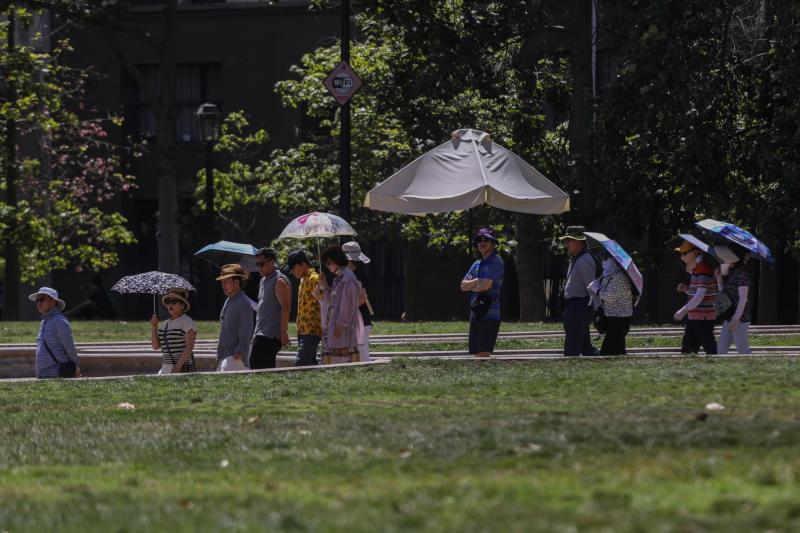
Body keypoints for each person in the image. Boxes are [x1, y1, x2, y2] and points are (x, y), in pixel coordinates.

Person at [460, 227, 504, 357]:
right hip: (476, 313)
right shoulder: (476, 264)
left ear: (493, 243)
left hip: (490, 315)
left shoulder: (496, 262)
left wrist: (475, 284)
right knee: (474, 354)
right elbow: (462, 286)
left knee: (484, 353)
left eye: (486, 240)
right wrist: (478, 280)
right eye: (479, 240)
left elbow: (484, 286)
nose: (482, 243)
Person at [316, 244, 364, 364]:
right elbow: (332, 300)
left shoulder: (348, 279)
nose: (327, 266)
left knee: (342, 360)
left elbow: (347, 305)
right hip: (334, 323)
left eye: (328, 263)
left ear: (336, 260)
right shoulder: (339, 278)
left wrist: (341, 325)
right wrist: (324, 285)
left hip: (342, 327)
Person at [673, 240, 718, 354]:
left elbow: (700, 296)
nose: (682, 258)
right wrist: (686, 289)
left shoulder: (702, 269)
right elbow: (698, 294)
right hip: (696, 316)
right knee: (688, 350)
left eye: (684, 254)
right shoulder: (697, 269)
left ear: (694, 253)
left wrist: (683, 310)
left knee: (710, 349)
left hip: (703, 317)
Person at [560, 225, 597, 357]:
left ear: (578, 242)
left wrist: (597, 310)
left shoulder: (585, 260)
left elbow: (591, 286)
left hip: (580, 306)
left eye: (569, 240)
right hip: (573, 306)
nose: (566, 244)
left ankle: (570, 364)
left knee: (572, 346)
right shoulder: (575, 258)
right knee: (584, 346)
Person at [250, 247, 291, 369]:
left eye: (261, 264)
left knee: (257, 365)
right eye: (257, 264)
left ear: (272, 262)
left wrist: (283, 333)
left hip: (270, 335)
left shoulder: (279, 281)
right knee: (259, 365)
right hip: (260, 332)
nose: (259, 268)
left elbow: (286, 307)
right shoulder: (263, 280)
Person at [589, 251, 634, 355]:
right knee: (618, 351)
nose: (603, 262)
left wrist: (596, 290)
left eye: (605, 259)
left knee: (607, 353)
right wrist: (596, 285)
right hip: (612, 316)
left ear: (614, 260)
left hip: (619, 318)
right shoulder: (608, 274)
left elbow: (609, 296)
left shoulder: (619, 277)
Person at [29, 287, 80, 379]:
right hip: (45, 375)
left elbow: (70, 348)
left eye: (42, 299)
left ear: (54, 301)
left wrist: (75, 367)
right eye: (37, 300)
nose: (39, 303)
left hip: (56, 375)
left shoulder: (59, 321)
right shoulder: (45, 321)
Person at [215, 263, 254, 371]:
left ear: (236, 282)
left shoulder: (243, 303)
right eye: (222, 282)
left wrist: (240, 349)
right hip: (226, 355)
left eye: (226, 282)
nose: (223, 285)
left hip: (236, 357)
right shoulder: (229, 300)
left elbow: (246, 329)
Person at [287, 250, 322, 366]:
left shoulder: (314, 278)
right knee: (311, 363)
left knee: (300, 363)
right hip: (302, 329)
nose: (291, 272)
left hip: (311, 329)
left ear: (303, 264)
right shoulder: (303, 279)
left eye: (293, 268)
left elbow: (324, 300)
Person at [150, 289, 197, 373]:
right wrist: (154, 327)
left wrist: (177, 367)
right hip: (165, 368)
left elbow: (189, 346)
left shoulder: (187, 322)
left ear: (182, 305)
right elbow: (155, 346)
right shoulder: (164, 324)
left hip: (182, 368)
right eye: (168, 301)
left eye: (174, 301)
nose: (170, 304)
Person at [717, 245, 753, 354]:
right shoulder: (732, 273)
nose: (724, 259)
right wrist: (719, 280)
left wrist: (735, 320)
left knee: (744, 352)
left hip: (739, 320)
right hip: (729, 317)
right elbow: (724, 294)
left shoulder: (741, 273)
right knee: (721, 351)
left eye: (728, 255)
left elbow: (743, 299)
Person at [343, 241, 373, 362]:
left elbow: (361, 298)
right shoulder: (351, 274)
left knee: (362, 351)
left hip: (361, 319)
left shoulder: (359, 276)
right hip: (355, 319)